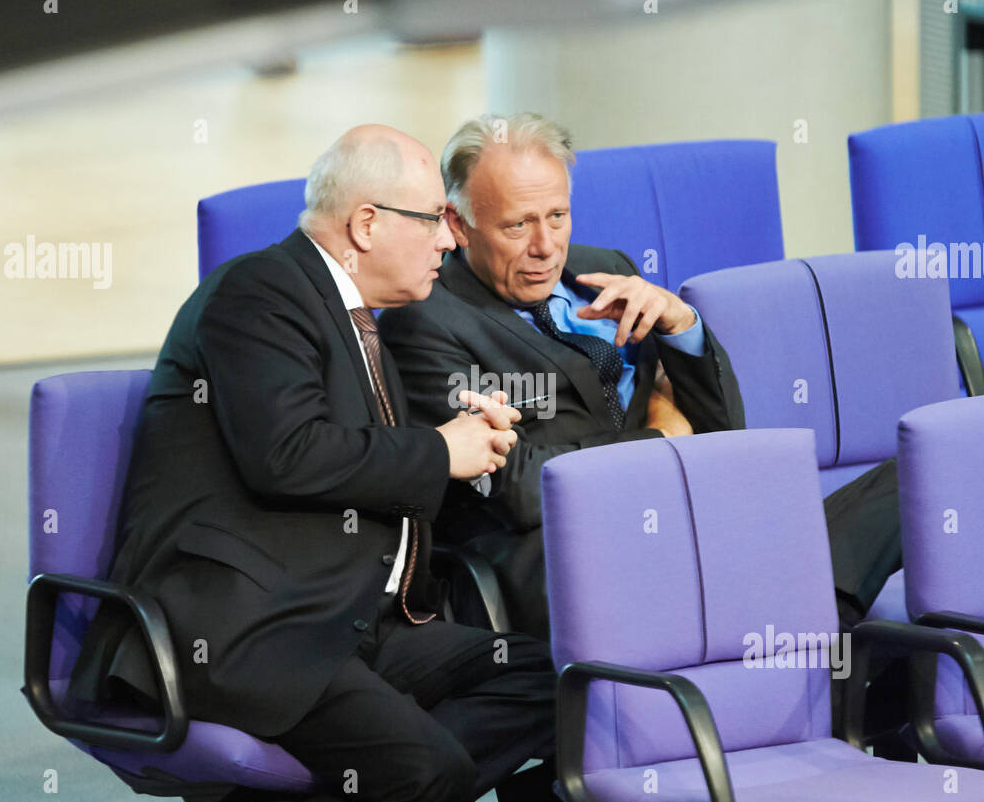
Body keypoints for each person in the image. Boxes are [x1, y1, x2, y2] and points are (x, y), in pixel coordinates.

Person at [69, 124, 556, 802]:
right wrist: (438, 452)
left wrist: (471, 449)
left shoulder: (363, 326)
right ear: (366, 223)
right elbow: (287, 453)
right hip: (254, 628)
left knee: (553, 679)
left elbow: (358, 466)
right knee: (428, 778)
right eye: (434, 222)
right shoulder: (258, 292)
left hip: (352, 619)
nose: (449, 242)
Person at [379, 112, 902, 639]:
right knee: (800, 568)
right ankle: (812, 615)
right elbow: (517, 487)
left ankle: (803, 609)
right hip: (579, 547)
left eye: (557, 216)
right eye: (518, 225)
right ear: (457, 222)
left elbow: (723, 431)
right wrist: (658, 440)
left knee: (911, 480)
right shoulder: (423, 323)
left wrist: (682, 328)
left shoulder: (604, 268)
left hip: (692, 514)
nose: (544, 247)